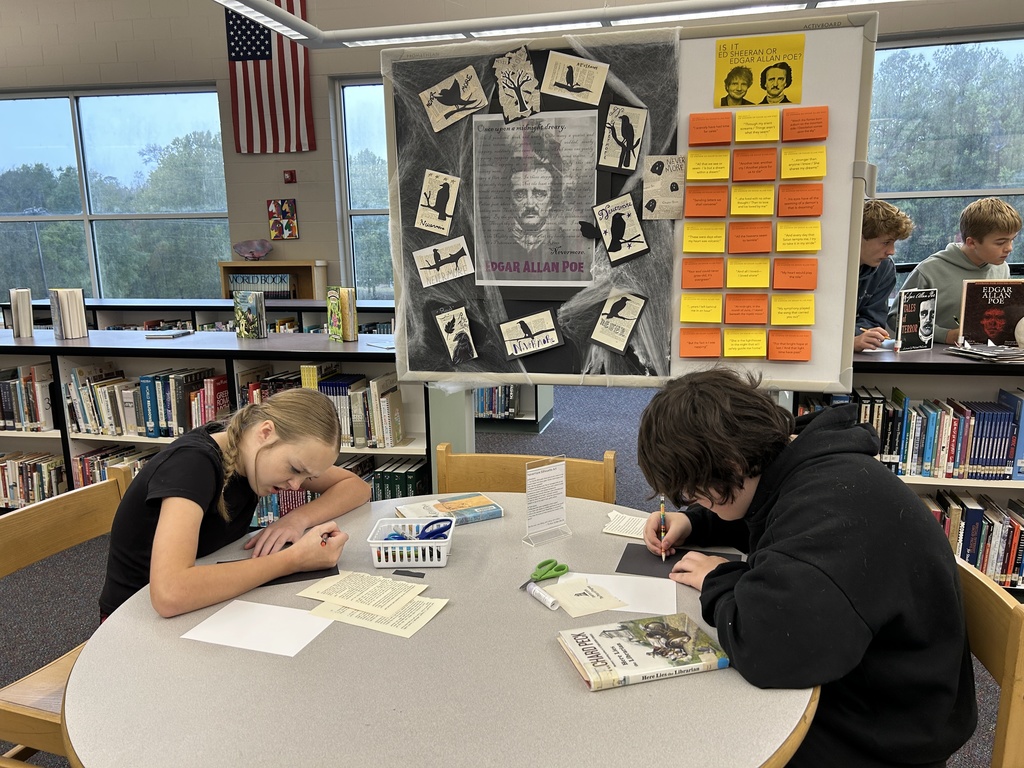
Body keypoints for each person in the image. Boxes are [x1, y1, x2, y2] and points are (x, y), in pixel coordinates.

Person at [637, 368, 976, 768]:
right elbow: (767, 515)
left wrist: (717, 578)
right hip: (880, 678)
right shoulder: (805, 460)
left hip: (884, 730)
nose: (691, 499)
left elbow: (767, 649)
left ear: (730, 464)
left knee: (697, 739)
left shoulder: (828, 511)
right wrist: (698, 520)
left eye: (694, 492)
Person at [99, 387, 372, 619]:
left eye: (308, 477)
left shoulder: (249, 455)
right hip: (134, 620)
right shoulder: (193, 465)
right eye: (295, 469)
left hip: (203, 606)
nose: (296, 486)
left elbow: (355, 487)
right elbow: (169, 593)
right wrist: (293, 560)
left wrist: (296, 519)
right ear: (265, 433)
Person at [887, 197, 1021, 344]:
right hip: (937, 357)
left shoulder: (1002, 269)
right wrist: (945, 335)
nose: (1009, 248)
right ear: (972, 242)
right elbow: (896, 318)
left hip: (988, 354)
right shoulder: (930, 271)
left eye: (1012, 239)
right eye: (1000, 242)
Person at [855, 199, 914, 351]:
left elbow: (873, 321)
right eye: (886, 242)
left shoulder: (885, 268)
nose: (891, 251)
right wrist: (849, 342)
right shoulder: (826, 266)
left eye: (893, 243)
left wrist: (857, 338)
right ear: (859, 237)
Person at [509, 159, 558, 258]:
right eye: (520, 195)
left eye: (539, 194)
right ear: (510, 202)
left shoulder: (569, 242)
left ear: (551, 202)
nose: (530, 204)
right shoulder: (490, 245)